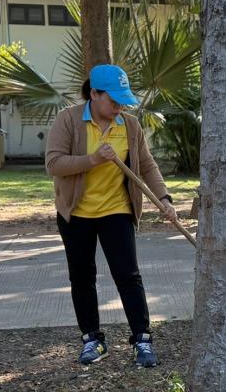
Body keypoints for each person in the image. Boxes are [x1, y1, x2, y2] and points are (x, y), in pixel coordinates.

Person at [45, 64, 180, 367]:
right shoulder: (69, 120)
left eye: (123, 100)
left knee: (128, 275)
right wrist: (92, 159)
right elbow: (54, 164)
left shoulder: (129, 125)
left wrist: (164, 198)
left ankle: (142, 339)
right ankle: (92, 339)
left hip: (116, 210)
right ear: (94, 93)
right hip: (76, 213)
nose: (119, 106)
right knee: (82, 277)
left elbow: (146, 166)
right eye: (113, 99)